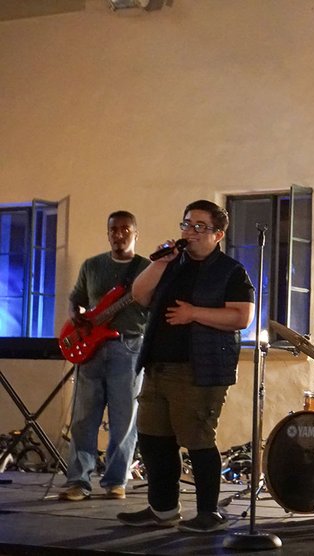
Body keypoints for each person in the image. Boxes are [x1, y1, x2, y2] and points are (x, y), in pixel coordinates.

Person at [116, 200, 254, 534]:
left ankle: (208, 512)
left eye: (199, 227)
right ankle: (162, 509)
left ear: (218, 234)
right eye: (187, 224)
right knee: (153, 439)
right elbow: (139, 295)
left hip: (199, 370)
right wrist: (159, 263)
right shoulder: (172, 264)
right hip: (158, 365)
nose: (190, 232)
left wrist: (194, 314)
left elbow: (242, 317)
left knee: (198, 439)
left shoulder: (231, 271)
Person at [59, 211, 150, 502]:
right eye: (113, 229)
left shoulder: (147, 269)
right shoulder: (92, 265)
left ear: (135, 233)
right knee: (83, 418)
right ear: (108, 233)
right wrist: (76, 315)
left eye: (125, 229)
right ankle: (78, 481)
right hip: (91, 348)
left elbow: (156, 305)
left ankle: (115, 481)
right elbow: (77, 298)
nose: (118, 234)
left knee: (124, 419)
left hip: (129, 346)